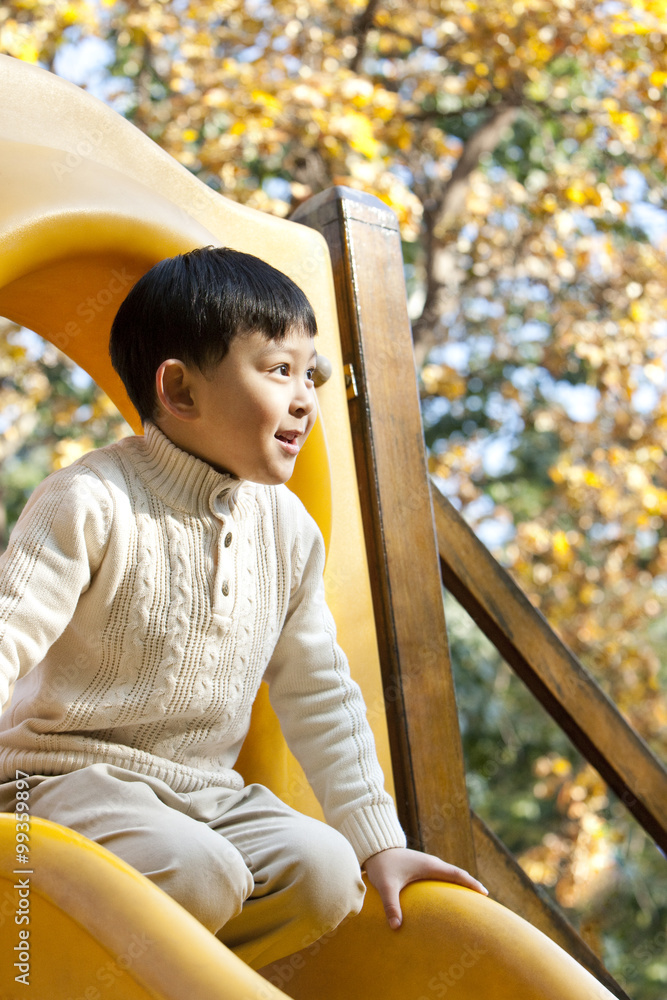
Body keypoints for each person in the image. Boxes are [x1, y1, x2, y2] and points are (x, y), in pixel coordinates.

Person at [0, 247, 486, 971]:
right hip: (56, 784)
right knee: (200, 871)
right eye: (277, 369)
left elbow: (321, 691)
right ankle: (69, 973)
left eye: (311, 372)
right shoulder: (92, 499)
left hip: (204, 794)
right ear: (180, 391)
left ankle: (164, 977)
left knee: (325, 873)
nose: (305, 398)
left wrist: (379, 842)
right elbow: (10, 630)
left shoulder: (288, 531)